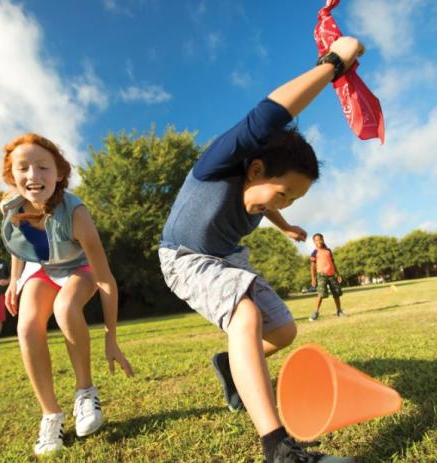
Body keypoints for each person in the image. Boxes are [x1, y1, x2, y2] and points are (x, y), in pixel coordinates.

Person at [159, 36, 364, 462]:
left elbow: (264, 206)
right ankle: (278, 448)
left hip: (226, 258)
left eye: (292, 200)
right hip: (182, 256)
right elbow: (268, 115)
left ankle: (230, 365)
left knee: (283, 330)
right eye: (284, 193)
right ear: (255, 169)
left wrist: (286, 224)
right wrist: (333, 64)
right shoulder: (217, 165)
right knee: (245, 315)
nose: (282, 202)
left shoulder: (261, 196)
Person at [0, 133, 134, 456]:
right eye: (23, 168)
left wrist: (111, 336)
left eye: (43, 167)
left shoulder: (76, 214)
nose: (33, 176)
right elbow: (18, 243)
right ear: (12, 176)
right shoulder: (9, 204)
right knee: (26, 326)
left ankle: (85, 392)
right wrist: (16, 279)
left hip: (80, 268)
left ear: (59, 173)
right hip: (43, 268)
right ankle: (51, 414)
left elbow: (105, 280)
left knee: (65, 309)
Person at [308, 233, 345, 322]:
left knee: (336, 293)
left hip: (331, 275)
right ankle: (315, 312)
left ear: (323, 239)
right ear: (314, 242)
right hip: (321, 276)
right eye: (316, 240)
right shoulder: (315, 252)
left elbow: (333, 263)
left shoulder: (328, 251)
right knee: (321, 294)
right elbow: (312, 266)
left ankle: (339, 311)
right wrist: (313, 278)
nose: (319, 241)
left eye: (320, 239)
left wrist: (338, 274)